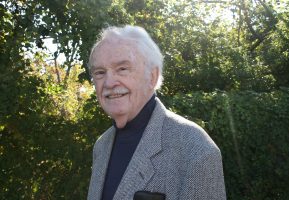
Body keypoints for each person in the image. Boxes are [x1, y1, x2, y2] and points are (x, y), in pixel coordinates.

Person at [87, 25, 226, 200]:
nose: (108, 82)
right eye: (100, 72)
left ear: (151, 77)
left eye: (122, 69)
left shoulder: (196, 149)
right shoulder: (101, 146)